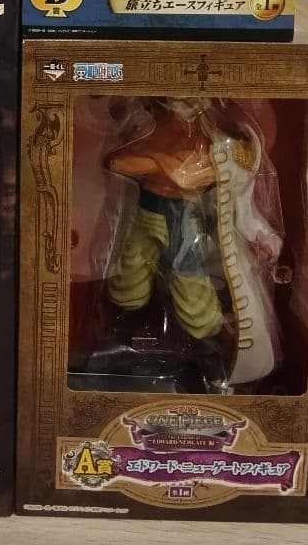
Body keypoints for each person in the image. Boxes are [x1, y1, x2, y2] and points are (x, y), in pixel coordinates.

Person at [104, 98, 283, 388]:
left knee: (192, 290)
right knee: (129, 282)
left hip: (185, 218)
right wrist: (166, 162)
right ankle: (121, 347)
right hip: (147, 210)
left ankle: (211, 360)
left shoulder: (221, 141)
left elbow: (208, 185)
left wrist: (258, 233)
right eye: (172, 101)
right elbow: (118, 162)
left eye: (187, 102)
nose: (179, 107)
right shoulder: (149, 129)